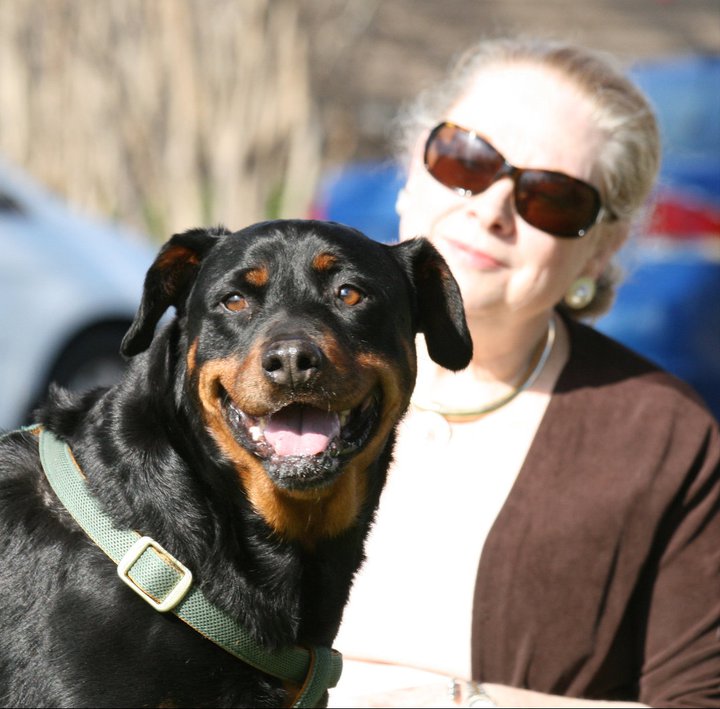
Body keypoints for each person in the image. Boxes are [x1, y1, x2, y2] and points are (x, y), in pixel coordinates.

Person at [329, 37, 720, 708]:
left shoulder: (661, 438)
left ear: (601, 249)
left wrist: (454, 699)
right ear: (410, 172)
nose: (490, 208)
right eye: (465, 159)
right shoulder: (271, 371)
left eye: (553, 198)